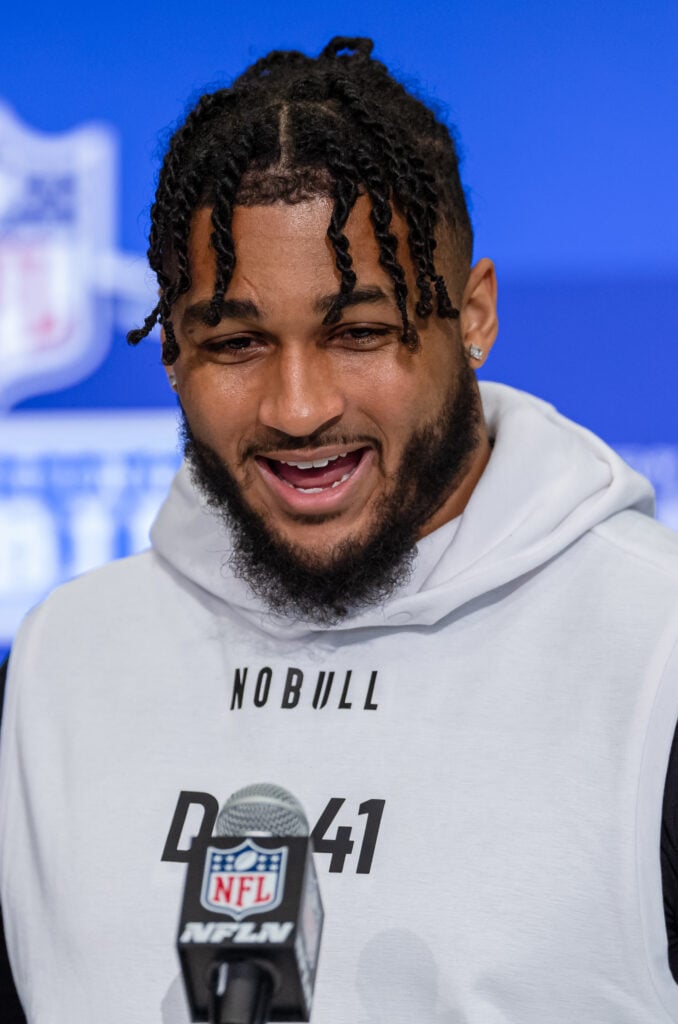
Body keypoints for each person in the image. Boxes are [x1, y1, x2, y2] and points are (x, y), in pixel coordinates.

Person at [2, 35, 678, 1024]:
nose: (299, 407)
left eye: (359, 332)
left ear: (474, 317)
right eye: (237, 342)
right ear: (173, 354)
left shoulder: (657, 648)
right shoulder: (61, 662)